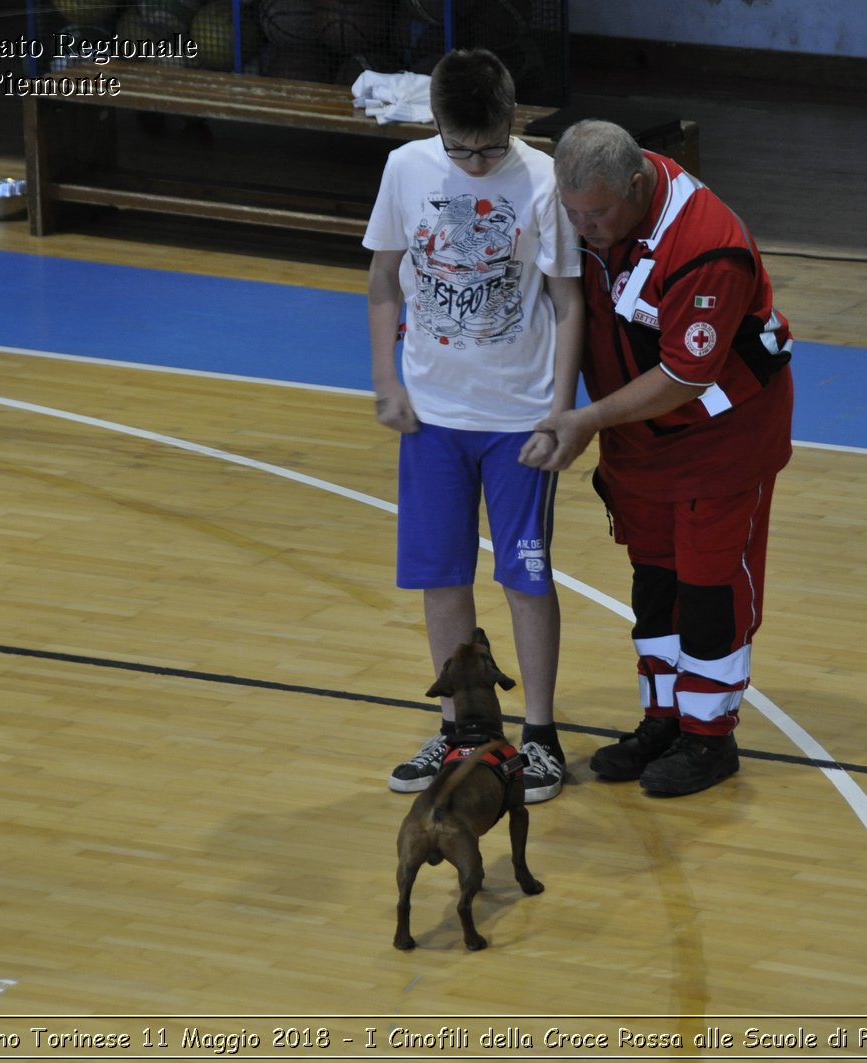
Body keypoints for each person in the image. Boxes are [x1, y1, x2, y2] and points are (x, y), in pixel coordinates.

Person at [520, 119, 794, 797]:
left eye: (599, 212)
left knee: (708, 587)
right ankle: (663, 720)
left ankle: (710, 737)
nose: (584, 227)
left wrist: (582, 418)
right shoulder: (587, 214)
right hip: (638, 441)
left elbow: (684, 378)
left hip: (718, 445)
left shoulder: (708, 245)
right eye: (574, 212)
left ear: (638, 185)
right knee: (655, 583)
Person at [365, 49, 583, 803]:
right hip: (433, 417)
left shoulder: (544, 178)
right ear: (438, 128)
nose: (478, 162)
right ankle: (463, 730)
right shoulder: (406, 171)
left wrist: (561, 409)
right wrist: (387, 380)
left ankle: (542, 736)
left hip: (517, 419)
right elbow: (383, 279)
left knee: (525, 576)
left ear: (512, 120)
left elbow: (567, 300)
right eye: (462, 149)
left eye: (491, 146)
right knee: (440, 576)